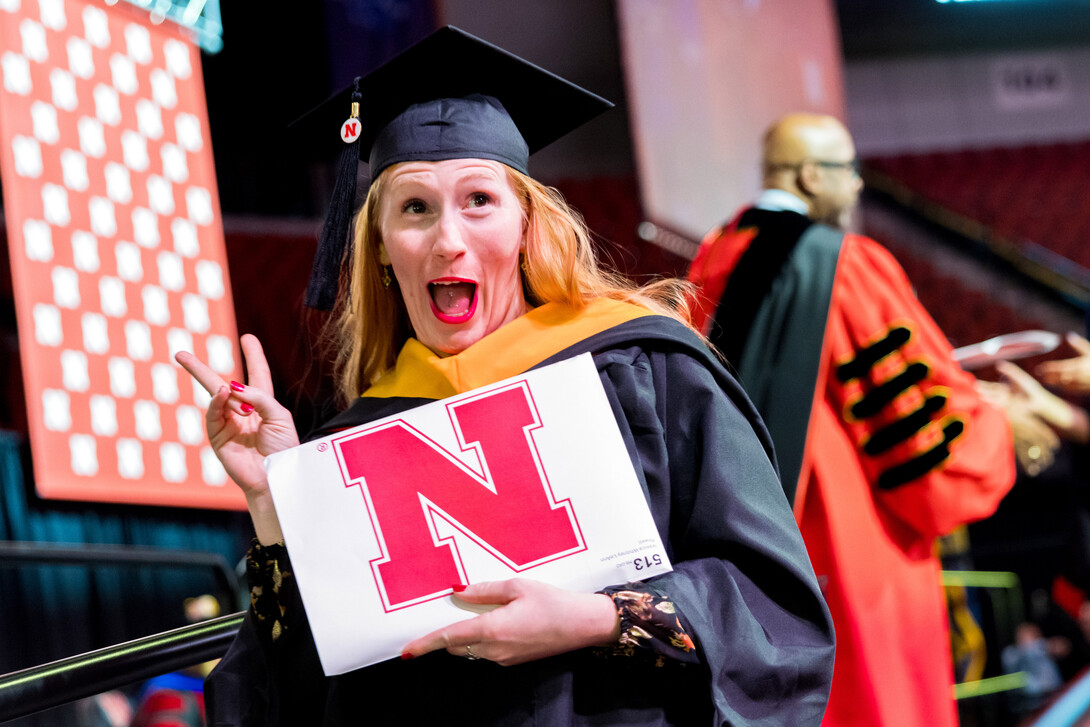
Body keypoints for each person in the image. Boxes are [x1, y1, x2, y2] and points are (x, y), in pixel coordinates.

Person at [176, 28, 834, 726]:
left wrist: (594, 619)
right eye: (415, 207)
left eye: (479, 200)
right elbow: (288, 698)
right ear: (378, 248)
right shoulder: (355, 445)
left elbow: (772, 608)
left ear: (527, 223)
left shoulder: (647, 372)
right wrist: (279, 508)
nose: (447, 239)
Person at [686, 112, 1016, 727]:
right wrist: (999, 425)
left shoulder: (713, 257)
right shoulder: (846, 264)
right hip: (853, 546)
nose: (859, 187)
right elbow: (922, 427)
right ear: (812, 174)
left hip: (757, 545)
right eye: (849, 171)